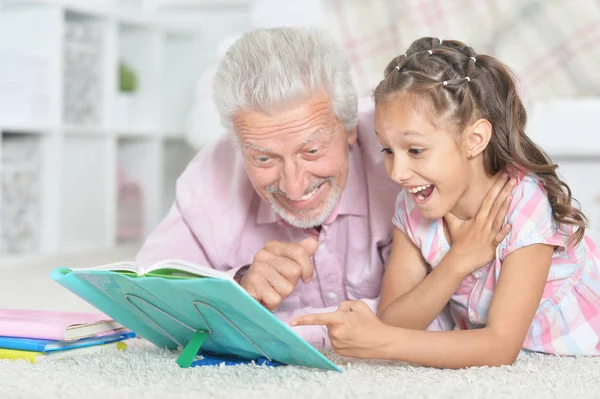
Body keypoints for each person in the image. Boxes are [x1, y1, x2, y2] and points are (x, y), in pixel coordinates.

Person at [290, 37, 600, 366]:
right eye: (388, 151)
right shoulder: (414, 204)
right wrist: (459, 261)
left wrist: (381, 341)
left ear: (474, 140)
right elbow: (395, 320)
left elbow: (499, 347)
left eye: (415, 150)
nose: (398, 173)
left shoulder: (521, 204)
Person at [136, 27, 407, 349]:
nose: (294, 187)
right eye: (264, 158)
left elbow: (455, 306)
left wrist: (283, 333)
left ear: (349, 129)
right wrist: (238, 285)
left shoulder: (406, 153)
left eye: (312, 152)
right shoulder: (210, 175)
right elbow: (146, 299)